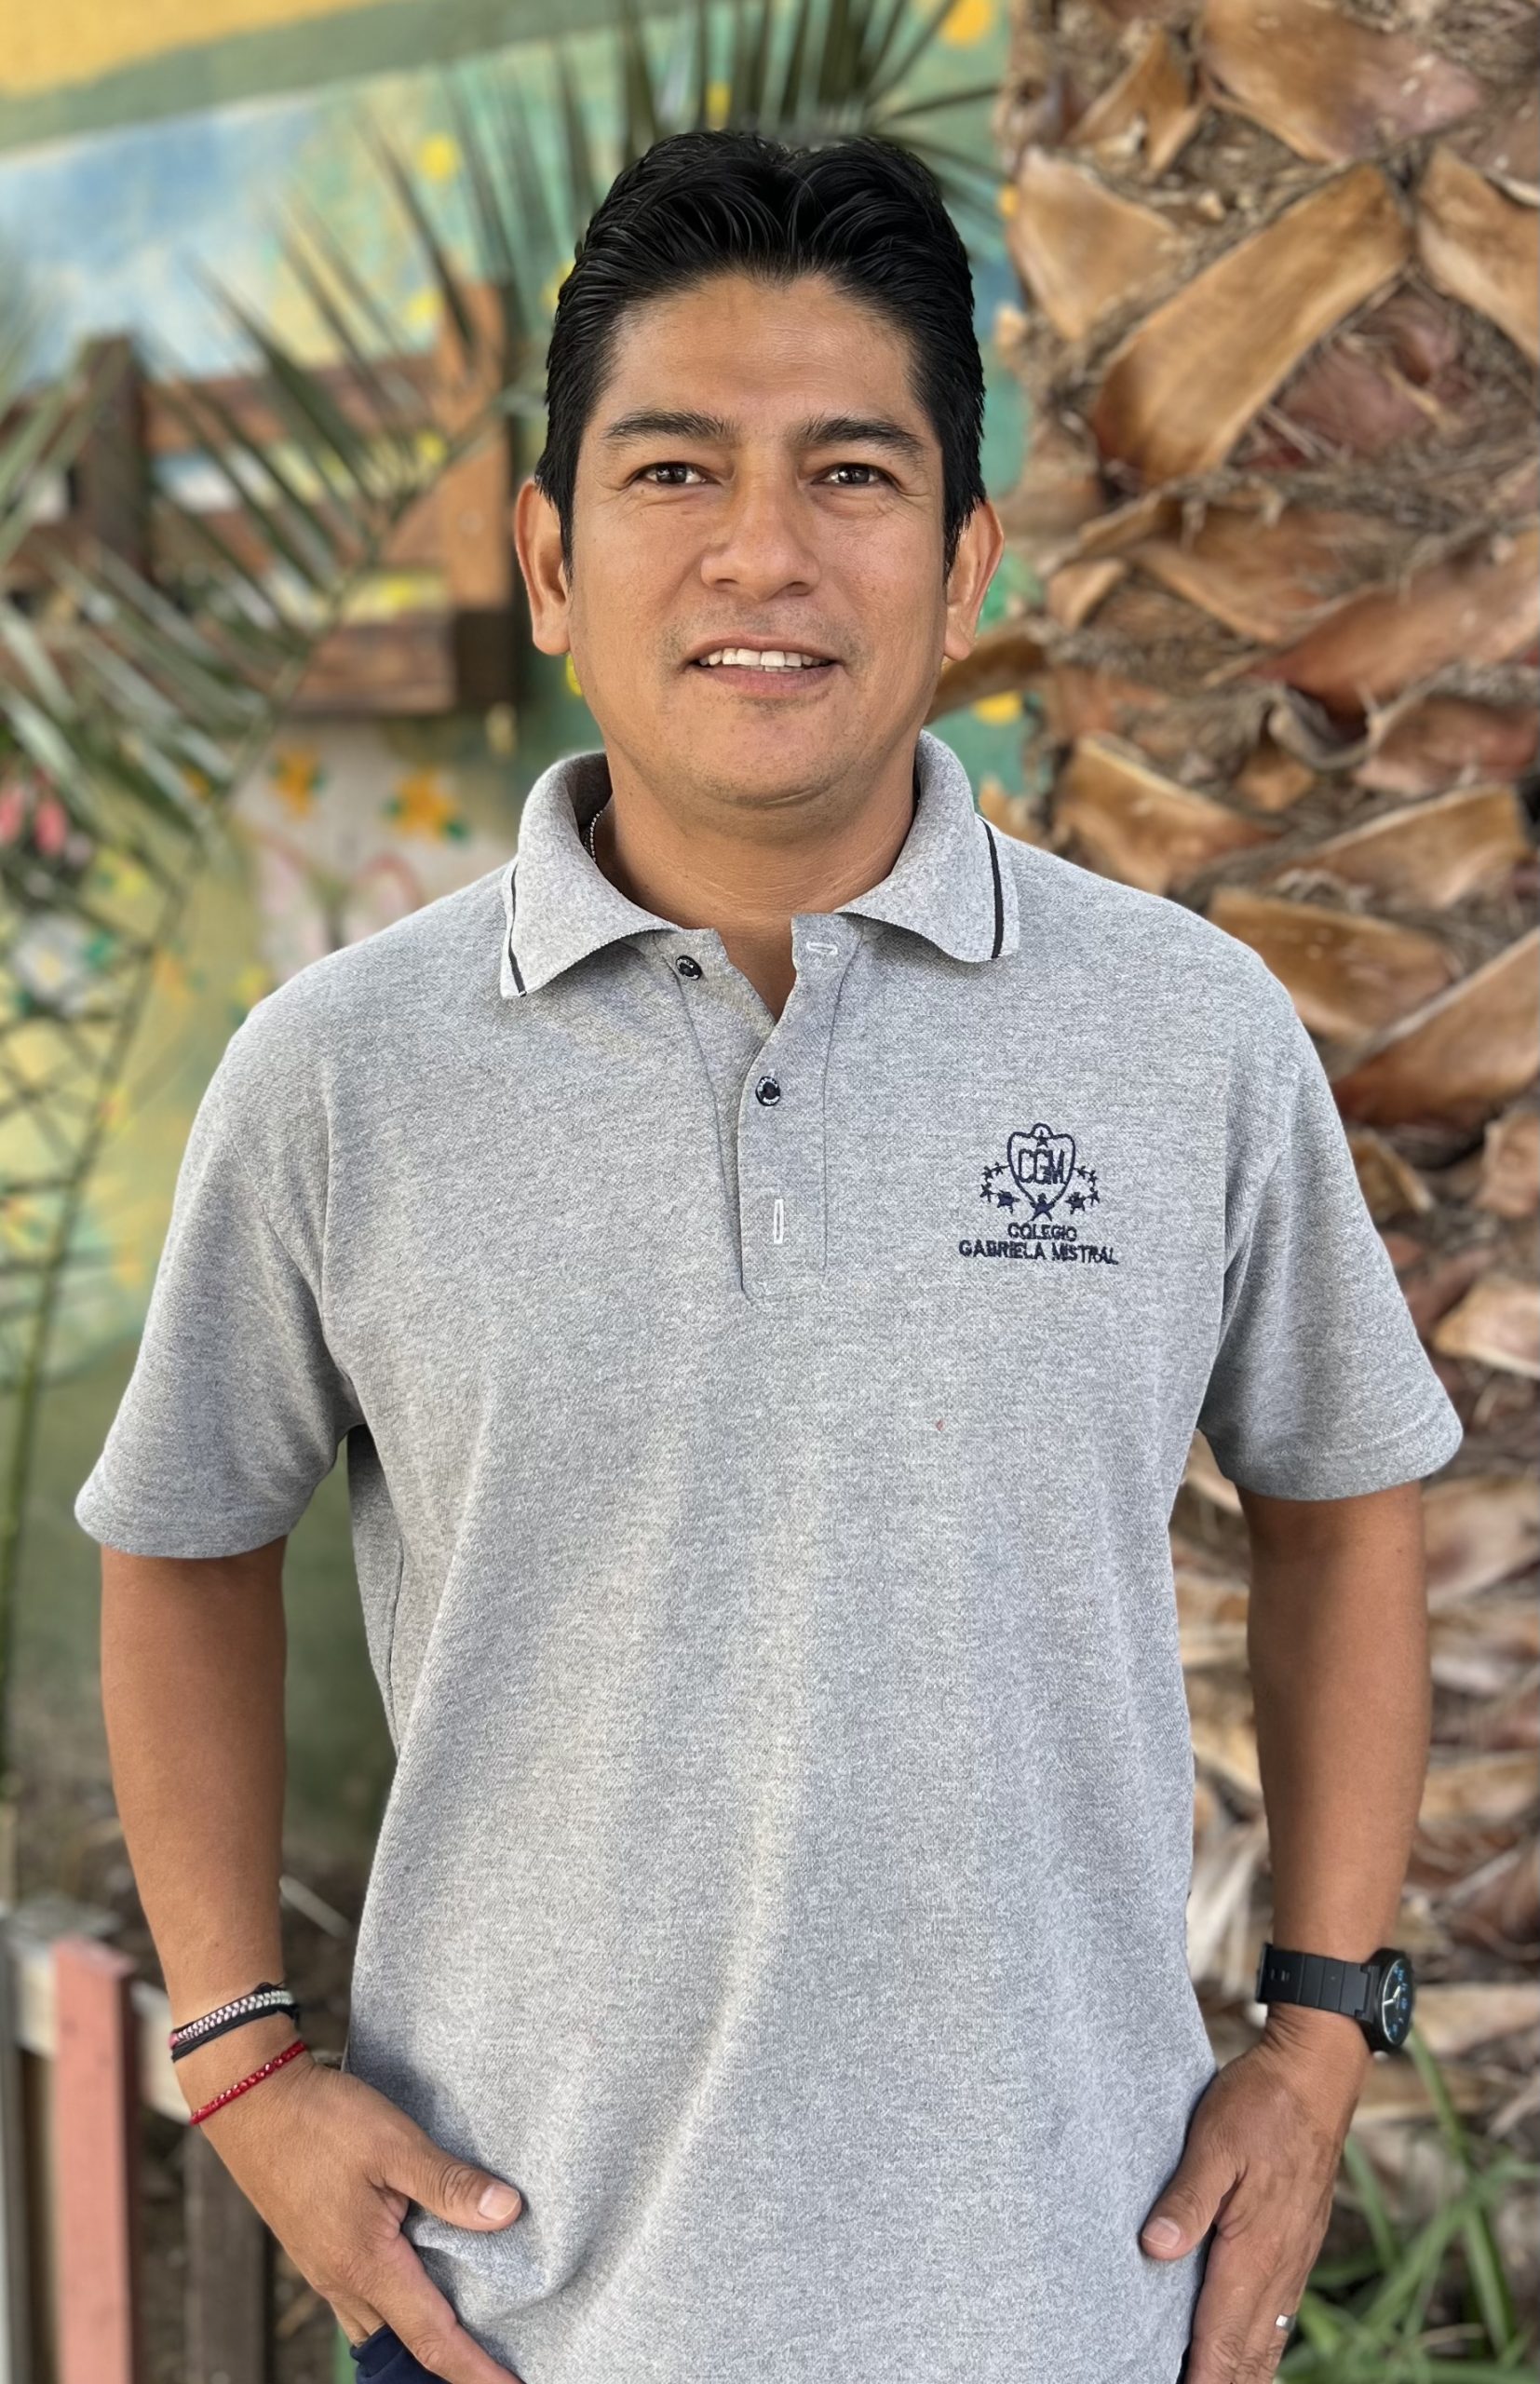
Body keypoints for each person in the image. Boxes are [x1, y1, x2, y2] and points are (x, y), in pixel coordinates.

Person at [77, 128, 1464, 2384]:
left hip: (1069, 2307)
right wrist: (239, 2061)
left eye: (849, 472)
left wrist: (1317, 2035)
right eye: (671, 471)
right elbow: (178, 1539)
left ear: (962, 557)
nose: (761, 551)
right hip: (508, 2321)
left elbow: (1340, 1498)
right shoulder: (337, 1072)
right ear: (547, 558)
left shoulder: (1181, 1032)